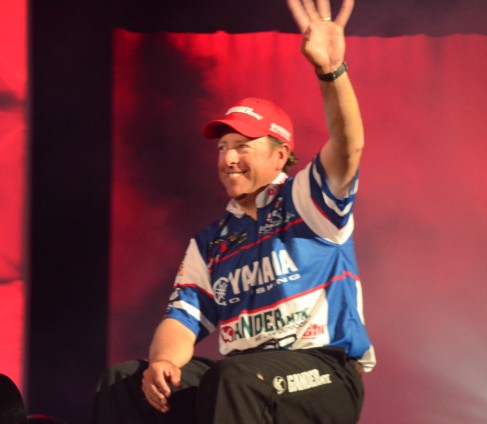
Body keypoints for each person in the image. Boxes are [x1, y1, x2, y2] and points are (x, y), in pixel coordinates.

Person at [92, 0, 375, 422]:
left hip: (326, 372)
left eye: (242, 146)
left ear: (280, 155)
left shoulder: (306, 200)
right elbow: (181, 319)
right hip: (249, 377)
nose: (228, 159)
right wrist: (163, 362)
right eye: (223, 147)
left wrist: (332, 72)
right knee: (125, 381)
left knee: (237, 377)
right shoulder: (211, 242)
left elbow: (348, 147)